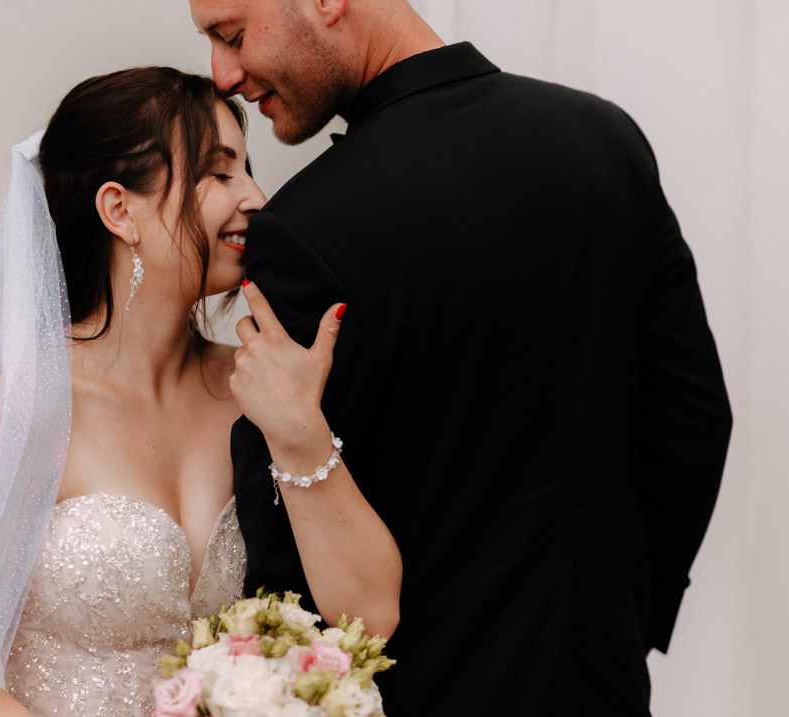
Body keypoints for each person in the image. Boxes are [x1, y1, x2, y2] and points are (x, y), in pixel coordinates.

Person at [189, 0, 733, 715]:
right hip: (601, 683)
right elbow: (693, 422)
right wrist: (617, 624)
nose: (222, 73)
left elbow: (284, 548)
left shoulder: (307, 229)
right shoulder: (605, 138)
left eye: (232, 35)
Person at [0, 66, 402, 717]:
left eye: (247, 169)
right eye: (219, 172)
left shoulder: (255, 388)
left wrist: (299, 428)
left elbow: (369, 618)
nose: (257, 197)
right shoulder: (28, 404)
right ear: (120, 209)